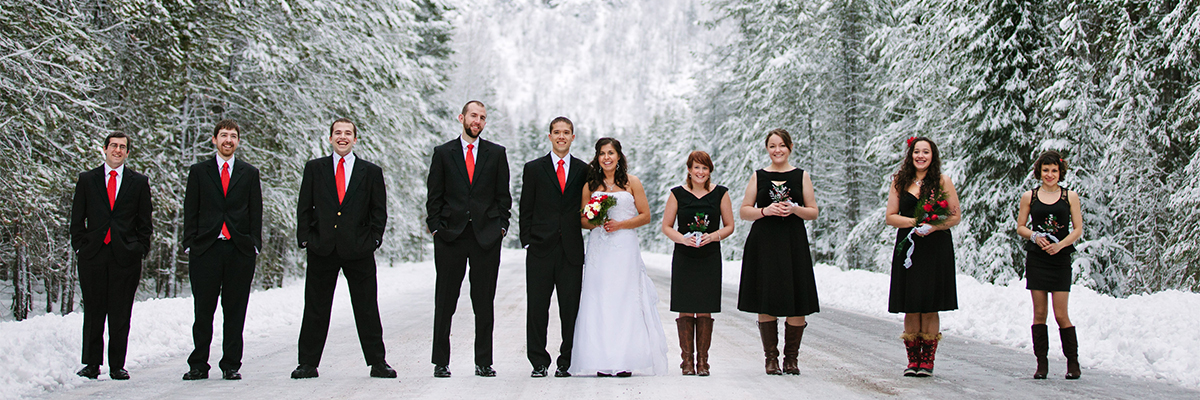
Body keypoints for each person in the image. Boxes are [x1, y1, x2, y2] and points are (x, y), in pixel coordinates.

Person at [291, 118, 395, 379]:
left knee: (367, 307)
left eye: (348, 133)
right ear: (330, 138)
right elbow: (304, 207)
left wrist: (373, 240)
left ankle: (377, 362)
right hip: (321, 248)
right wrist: (306, 239)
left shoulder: (370, 172)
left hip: (358, 250)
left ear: (355, 139)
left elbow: (378, 211)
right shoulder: (314, 169)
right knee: (315, 307)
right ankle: (307, 363)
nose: (343, 137)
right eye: (338, 133)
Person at [569, 137, 669, 377]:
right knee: (600, 299)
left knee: (625, 299)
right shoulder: (589, 186)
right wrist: (595, 220)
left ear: (618, 156)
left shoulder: (632, 182)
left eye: (611, 153)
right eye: (602, 153)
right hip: (599, 249)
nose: (607, 157)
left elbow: (645, 216)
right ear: (597, 157)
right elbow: (582, 220)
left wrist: (621, 224)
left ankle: (625, 359)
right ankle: (601, 359)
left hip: (624, 248)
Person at [426, 100, 511, 378]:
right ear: (461, 117)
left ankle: (483, 361)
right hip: (450, 236)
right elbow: (434, 196)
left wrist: (501, 227)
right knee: (445, 300)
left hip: (486, 237)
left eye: (483, 117)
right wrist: (436, 228)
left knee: (484, 301)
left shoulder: (497, 153)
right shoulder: (443, 153)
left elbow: (503, 197)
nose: (478, 121)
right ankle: (441, 361)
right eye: (474, 115)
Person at [181, 120, 262, 381]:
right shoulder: (199, 172)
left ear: (238, 141)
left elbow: (255, 211)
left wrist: (254, 244)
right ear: (214, 140)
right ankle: (198, 364)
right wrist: (190, 242)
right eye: (224, 135)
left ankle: (231, 364)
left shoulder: (249, 173)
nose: (229, 140)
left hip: (239, 250)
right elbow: (190, 209)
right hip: (206, 249)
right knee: (203, 310)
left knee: (235, 310)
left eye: (233, 136)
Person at [69, 132, 153, 380]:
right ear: (104, 149)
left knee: (120, 311)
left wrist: (140, 248)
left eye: (122, 147)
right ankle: (92, 364)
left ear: (128, 153)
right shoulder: (87, 180)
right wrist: (80, 246)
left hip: (125, 256)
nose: (117, 150)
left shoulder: (138, 182)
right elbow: (77, 218)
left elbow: (144, 222)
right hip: (93, 254)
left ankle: (117, 364)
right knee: (94, 310)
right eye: (113, 146)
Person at [737, 129, 820, 376]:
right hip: (765, 243)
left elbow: (813, 211)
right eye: (772, 146)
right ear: (767, 149)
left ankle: (791, 359)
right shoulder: (759, 176)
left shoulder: (801, 175)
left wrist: (795, 209)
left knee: (797, 298)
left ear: (790, 147)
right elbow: (744, 211)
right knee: (767, 296)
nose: (777, 150)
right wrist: (765, 211)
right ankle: (771, 358)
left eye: (781, 145)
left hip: (793, 241)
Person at [885, 136, 960, 378]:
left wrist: (934, 226)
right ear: (910, 155)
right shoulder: (900, 181)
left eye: (925, 152)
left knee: (930, 304)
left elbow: (954, 216)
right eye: (917, 152)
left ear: (932, 155)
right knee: (912, 304)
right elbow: (890, 216)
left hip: (935, 247)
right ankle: (912, 359)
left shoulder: (942, 181)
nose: (921, 156)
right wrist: (915, 222)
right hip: (909, 246)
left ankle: (927, 360)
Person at [519, 117, 588, 378]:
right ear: (549, 136)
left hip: (570, 249)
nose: (561, 136)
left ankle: (566, 360)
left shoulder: (583, 170)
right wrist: (527, 240)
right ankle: (538, 361)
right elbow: (526, 208)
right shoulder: (534, 168)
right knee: (537, 308)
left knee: (570, 308)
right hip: (539, 249)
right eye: (557, 132)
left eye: (566, 132)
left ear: (573, 137)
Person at [660, 151, 733, 376]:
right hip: (685, 257)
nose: (700, 172)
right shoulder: (677, 194)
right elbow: (666, 226)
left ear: (709, 171)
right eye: (696, 168)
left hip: (709, 256)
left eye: (705, 168)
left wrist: (714, 236)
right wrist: (682, 238)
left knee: (704, 309)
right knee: (685, 308)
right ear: (689, 170)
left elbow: (730, 225)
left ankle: (703, 362)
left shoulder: (721, 193)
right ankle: (687, 362)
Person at [1015, 150, 1083, 380]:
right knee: (1040, 313)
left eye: (1054, 170)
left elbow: (1078, 229)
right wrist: (1035, 237)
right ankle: (1041, 363)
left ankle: (1072, 362)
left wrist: (1061, 245)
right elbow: (1021, 226)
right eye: (1046, 170)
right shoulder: (1030, 197)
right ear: (1039, 171)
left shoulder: (1069, 196)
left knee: (1061, 314)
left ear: (1060, 171)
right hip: (1037, 258)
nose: (1050, 174)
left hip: (1060, 258)